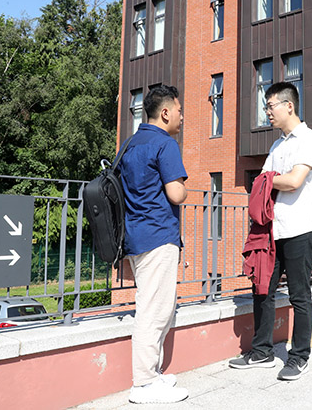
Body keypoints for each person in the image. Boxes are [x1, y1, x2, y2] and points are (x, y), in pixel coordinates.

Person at [228, 82, 312, 381]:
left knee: (299, 295)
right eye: (266, 107)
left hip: (300, 228)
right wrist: (269, 179)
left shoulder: (309, 139)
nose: (266, 112)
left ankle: (299, 357)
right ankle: (262, 352)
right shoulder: (277, 145)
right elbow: (263, 181)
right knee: (262, 291)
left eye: (270, 106)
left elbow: (294, 181)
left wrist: (269, 178)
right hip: (273, 231)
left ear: (289, 106)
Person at [120, 85, 189, 404]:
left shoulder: (130, 143)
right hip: (159, 234)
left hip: (135, 236)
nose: (182, 115)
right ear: (165, 112)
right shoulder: (165, 143)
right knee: (154, 310)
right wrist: (184, 191)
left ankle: (153, 374)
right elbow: (176, 193)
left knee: (154, 305)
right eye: (178, 110)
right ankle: (144, 383)